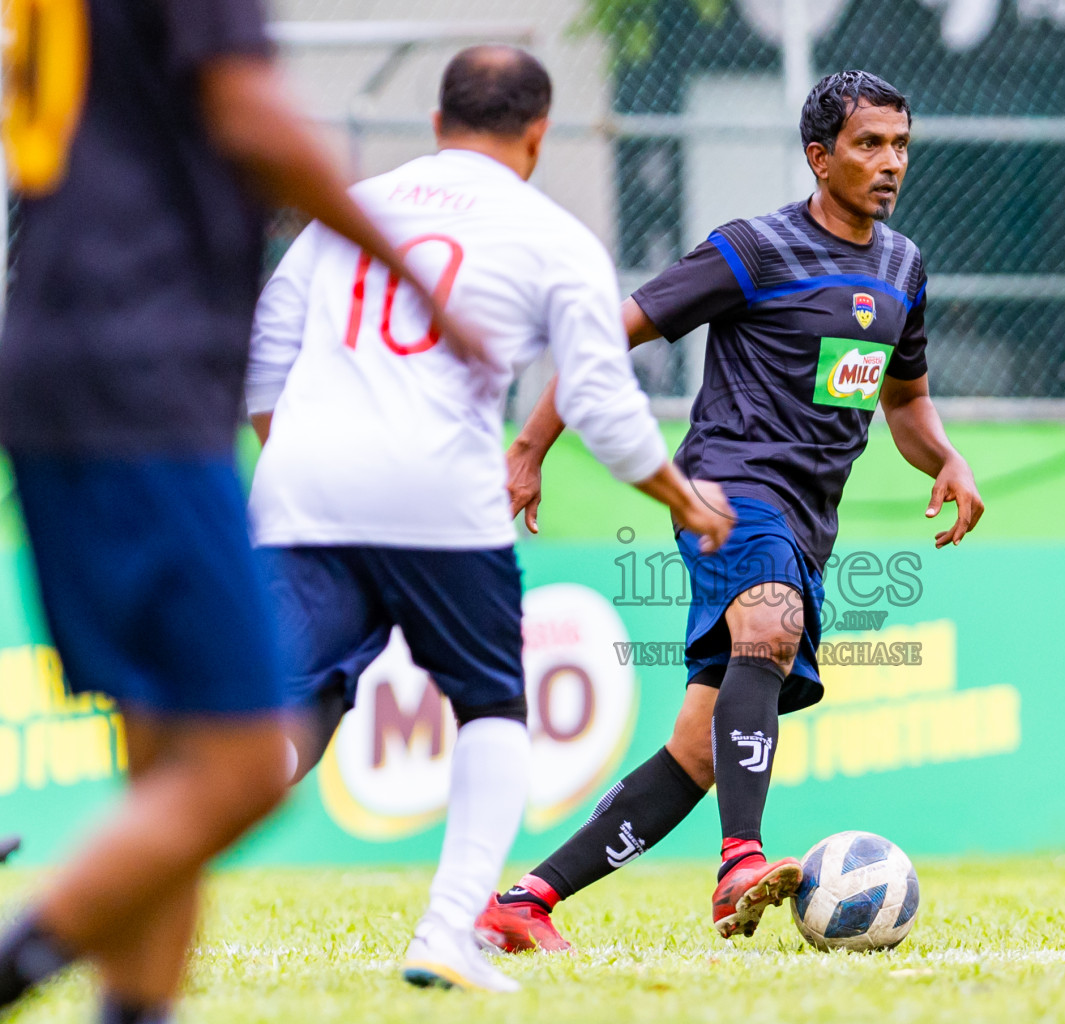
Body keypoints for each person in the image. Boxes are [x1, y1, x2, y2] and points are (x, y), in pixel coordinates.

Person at [0, 0, 482, 1020]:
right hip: (139, 370)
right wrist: (409, 276)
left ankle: (136, 1009)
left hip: (61, 353)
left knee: (165, 756)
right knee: (239, 762)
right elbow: (248, 110)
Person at [245, 46, 734, 992]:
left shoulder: (351, 211)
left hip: (305, 492)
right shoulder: (552, 236)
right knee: (492, 706)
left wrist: (298, 458)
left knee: (278, 714)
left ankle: (138, 870)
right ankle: (445, 931)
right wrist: (679, 495)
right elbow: (598, 400)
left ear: (436, 123)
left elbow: (268, 344)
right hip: (440, 501)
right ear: (539, 134)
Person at [476, 70, 985, 953]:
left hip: (806, 522)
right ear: (819, 157)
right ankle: (739, 863)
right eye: (869, 144)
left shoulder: (903, 267)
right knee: (771, 623)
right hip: (725, 489)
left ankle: (523, 903)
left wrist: (946, 457)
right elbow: (605, 330)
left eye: (901, 144)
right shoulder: (752, 250)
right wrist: (530, 446)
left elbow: (904, 403)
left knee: (700, 751)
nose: (891, 162)